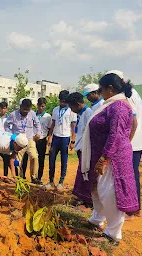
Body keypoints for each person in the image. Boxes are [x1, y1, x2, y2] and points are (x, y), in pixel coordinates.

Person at [81, 72, 139, 243]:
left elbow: (116, 135)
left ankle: (113, 233)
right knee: (98, 189)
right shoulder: (111, 104)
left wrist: (105, 158)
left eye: (101, 89)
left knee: (110, 193)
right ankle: (97, 219)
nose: (100, 92)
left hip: (113, 158)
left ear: (110, 89)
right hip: (105, 154)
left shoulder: (119, 106)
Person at [106, 70, 142, 217]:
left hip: (133, 142)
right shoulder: (131, 93)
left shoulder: (128, 96)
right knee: (132, 174)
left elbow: (134, 121)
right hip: (133, 141)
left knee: (130, 175)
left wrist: (126, 142)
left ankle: (133, 209)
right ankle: (134, 207)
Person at [4, 98, 41, 184]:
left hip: (29, 139)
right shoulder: (13, 114)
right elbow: (6, 125)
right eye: (24, 109)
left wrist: (38, 133)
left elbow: (37, 124)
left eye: (27, 110)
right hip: (18, 140)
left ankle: (34, 177)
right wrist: (11, 135)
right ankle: (18, 178)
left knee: (34, 156)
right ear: (20, 107)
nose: (25, 112)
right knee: (17, 160)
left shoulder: (32, 114)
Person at [65, 92, 93, 205]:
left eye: (71, 107)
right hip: (81, 148)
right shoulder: (81, 114)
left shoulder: (88, 113)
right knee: (82, 173)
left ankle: (88, 200)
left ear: (77, 104)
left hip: (86, 149)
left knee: (86, 174)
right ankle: (82, 197)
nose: (71, 110)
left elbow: (91, 133)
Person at [47, 91, 77, 190]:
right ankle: (51, 181)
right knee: (52, 159)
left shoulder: (71, 111)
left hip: (65, 137)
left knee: (64, 160)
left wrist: (72, 140)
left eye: (65, 101)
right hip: (56, 137)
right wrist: (50, 137)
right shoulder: (56, 110)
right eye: (61, 101)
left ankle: (61, 182)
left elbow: (73, 127)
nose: (63, 103)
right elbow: (53, 124)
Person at [36, 98, 51, 182]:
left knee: (41, 159)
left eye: (43, 106)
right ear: (37, 105)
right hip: (33, 140)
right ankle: (31, 176)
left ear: (45, 106)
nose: (41, 108)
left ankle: (39, 177)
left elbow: (49, 129)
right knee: (31, 158)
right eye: (39, 106)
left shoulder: (48, 116)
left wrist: (49, 139)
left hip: (42, 140)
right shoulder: (33, 115)